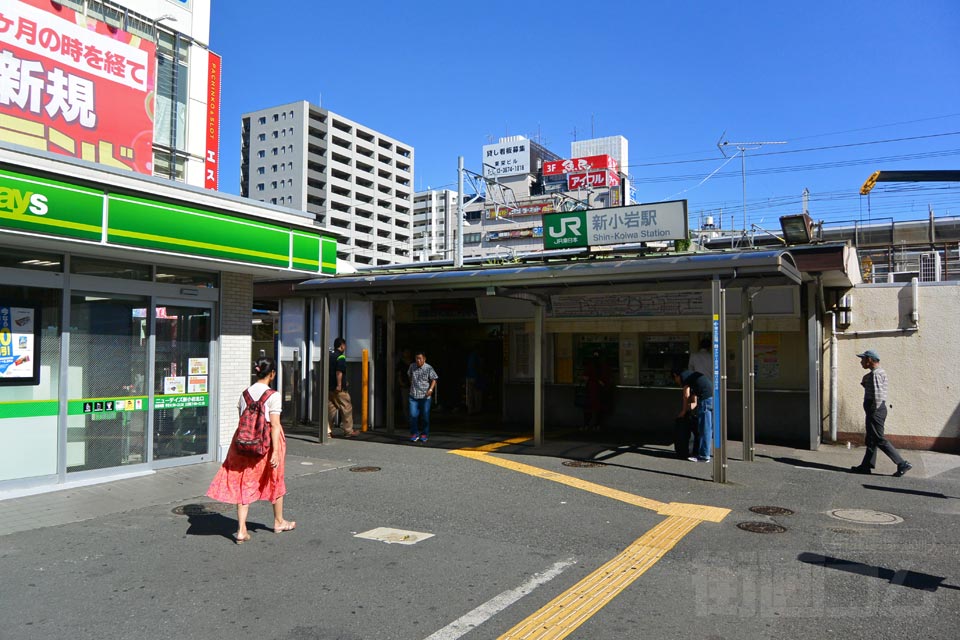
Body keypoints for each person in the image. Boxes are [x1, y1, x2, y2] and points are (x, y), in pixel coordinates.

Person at [206, 358, 296, 543]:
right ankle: (278, 521)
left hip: (244, 443)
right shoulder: (273, 395)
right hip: (267, 444)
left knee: (244, 481)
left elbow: (243, 420)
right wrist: (276, 451)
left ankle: (241, 530)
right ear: (272, 374)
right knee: (275, 477)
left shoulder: (244, 394)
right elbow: (275, 425)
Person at [850, 349, 912, 477]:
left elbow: (877, 395)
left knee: (878, 438)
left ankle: (902, 463)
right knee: (871, 439)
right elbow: (871, 386)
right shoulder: (875, 373)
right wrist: (866, 379)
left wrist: (873, 410)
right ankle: (866, 466)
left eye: (863, 359)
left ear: (870, 360)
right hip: (875, 409)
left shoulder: (876, 374)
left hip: (876, 409)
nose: (861, 362)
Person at [671, 367, 714, 462]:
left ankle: (704, 456)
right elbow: (694, 403)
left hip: (706, 399)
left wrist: (683, 411)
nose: (677, 382)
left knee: (704, 429)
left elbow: (686, 395)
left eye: (675, 379)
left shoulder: (684, 376)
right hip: (713, 398)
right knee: (708, 428)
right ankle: (704, 453)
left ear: (675, 375)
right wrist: (687, 410)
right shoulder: (693, 378)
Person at [328, 337, 358, 437]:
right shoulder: (340, 357)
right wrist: (340, 385)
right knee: (347, 407)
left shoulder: (329, 355)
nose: (345, 347)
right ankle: (348, 431)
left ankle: (327, 431)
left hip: (329, 388)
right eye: (344, 345)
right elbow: (339, 372)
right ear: (342, 346)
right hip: (338, 389)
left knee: (330, 410)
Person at [407, 350, 438, 442]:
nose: (418, 360)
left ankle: (424, 434)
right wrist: (412, 384)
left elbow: (434, 379)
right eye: (416, 358)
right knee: (413, 415)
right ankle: (414, 433)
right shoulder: (412, 366)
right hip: (413, 395)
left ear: (424, 359)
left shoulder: (428, 368)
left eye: (420, 359)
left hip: (425, 396)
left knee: (425, 416)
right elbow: (409, 375)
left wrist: (431, 389)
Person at [581, 349, 611, 430]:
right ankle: (597, 425)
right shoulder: (604, 365)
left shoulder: (590, 365)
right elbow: (608, 379)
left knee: (588, 409)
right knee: (600, 408)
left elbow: (585, 377)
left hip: (590, 390)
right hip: (601, 390)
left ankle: (586, 425)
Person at [465, 346, 483, 415]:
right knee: (477, 394)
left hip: (469, 376)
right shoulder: (478, 356)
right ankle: (477, 409)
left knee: (470, 394)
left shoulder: (471, 356)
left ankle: (470, 409)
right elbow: (479, 367)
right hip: (476, 377)